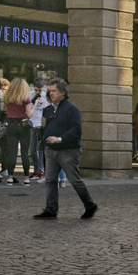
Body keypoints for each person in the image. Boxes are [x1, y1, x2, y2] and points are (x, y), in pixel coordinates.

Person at [33, 79, 96, 220]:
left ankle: (90, 205)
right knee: (50, 180)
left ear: (62, 92)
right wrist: (45, 139)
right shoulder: (49, 109)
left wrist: (60, 138)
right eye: (50, 91)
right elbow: (45, 127)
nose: (51, 93)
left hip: (68, 150)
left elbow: (76, 130)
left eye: (54, 91)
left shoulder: (71, 109)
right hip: (51, 150)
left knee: (74, 180)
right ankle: (51, 209)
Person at [0, 77, 33, 183]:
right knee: (24, 152)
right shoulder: (25, 98)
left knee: (12, 152)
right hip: (23, 125)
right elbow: (29, 114)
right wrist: (35, 105)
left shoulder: (7, 97)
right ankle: (26, 177)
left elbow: (2, 108)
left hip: (11, 124)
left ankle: (10, 177)